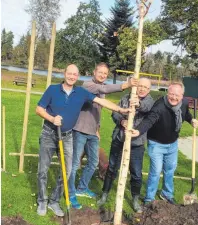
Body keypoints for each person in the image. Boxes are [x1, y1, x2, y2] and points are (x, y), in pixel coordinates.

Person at [36, 64, 129, 217]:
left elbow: (101, 101)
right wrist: (52, 118)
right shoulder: (52, 89)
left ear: (77, 76)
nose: (72, 76)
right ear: (64, 73)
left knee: (67, 170)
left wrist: (120, 110)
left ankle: (54, 201)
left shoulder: (81, 92)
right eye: (69, 73)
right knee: (43, 170)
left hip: (66, 136)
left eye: (75, 74)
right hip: (48, 134)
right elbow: (39, 109)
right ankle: (42, 201)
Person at [68, 62, 138, 208]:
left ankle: (82, 188)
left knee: (93, 162)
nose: (102, 75)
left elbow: (98, 110)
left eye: (105, 74)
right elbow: (103, 88)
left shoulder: (102, 89)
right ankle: (70, 192)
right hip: (80, 130)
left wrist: (98, 130)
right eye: (100, 73)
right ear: (94, 72)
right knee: (75, 163)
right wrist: (125, 85)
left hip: (93, 132)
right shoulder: (87, 85)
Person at [132, 82, 198, 205]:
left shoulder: (183, 103)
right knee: (156, 171)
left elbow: (186, 113)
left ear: (182, 95)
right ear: (167, 93)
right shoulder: (159, 106)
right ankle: (149, 198)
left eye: (177, 95)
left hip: (172, 143)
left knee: (170, 170)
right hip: (156, 143)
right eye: (171, 94)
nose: (174, 97)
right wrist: (138, 131)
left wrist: (191, 120)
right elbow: (149, 120)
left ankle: (166, 193)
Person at [98, 77, 154, 213]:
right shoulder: (125, 98)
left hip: (137, 143)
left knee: (136, 173)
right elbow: (114, 113)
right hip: (119, 139)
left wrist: (138, 104)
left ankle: (135, 199)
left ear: (149, 90)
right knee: (112, 169)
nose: (141, 89)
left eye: (145, 87)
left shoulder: (150, 101)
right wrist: (122, 121)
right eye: (140, 86)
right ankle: (104, 194)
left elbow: (147, 109)